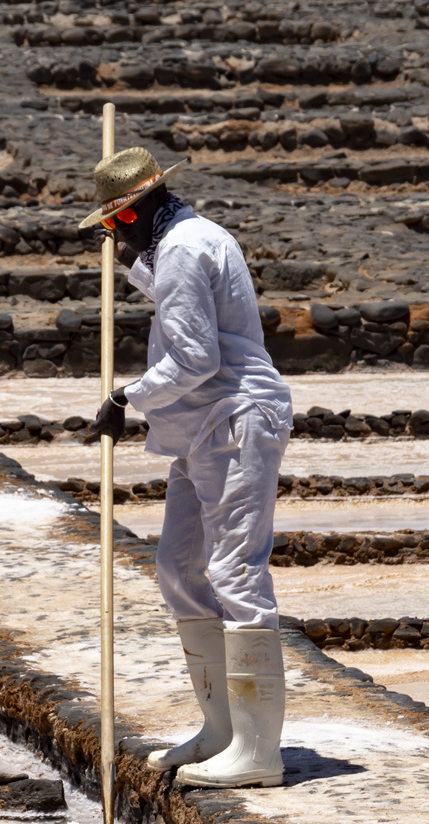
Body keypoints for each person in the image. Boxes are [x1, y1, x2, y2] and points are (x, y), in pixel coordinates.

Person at [82, 147, 294, 788]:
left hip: (232, 418)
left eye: (115, 225)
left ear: (137, 211)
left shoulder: (178, 249)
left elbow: (196, 357)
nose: (113, 237)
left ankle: (258, 754)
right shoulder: (189, 240)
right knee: (179, 569)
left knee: (234, 570)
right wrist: (135, 266)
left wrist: (125, 398)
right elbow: (200, 319)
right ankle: (221, 731)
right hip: (201, 429)